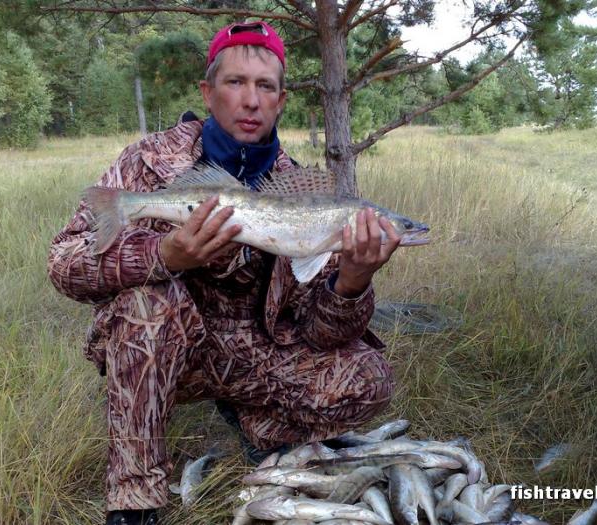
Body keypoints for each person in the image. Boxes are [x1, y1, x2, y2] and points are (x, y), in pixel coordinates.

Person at [48, 21, 400, 525]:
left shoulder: (300, 188)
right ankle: (135, 495)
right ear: (207, 93)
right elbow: (63, 265)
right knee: (147, 306)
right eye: (235, 83)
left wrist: (353, 282)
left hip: (256, 355)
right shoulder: (148, 164)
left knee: (369, 376)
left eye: (266, 87)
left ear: (281, 101)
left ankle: (263, 428)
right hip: (169, 344)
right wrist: (164, 255)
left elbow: (321, 336)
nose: (251, 101)